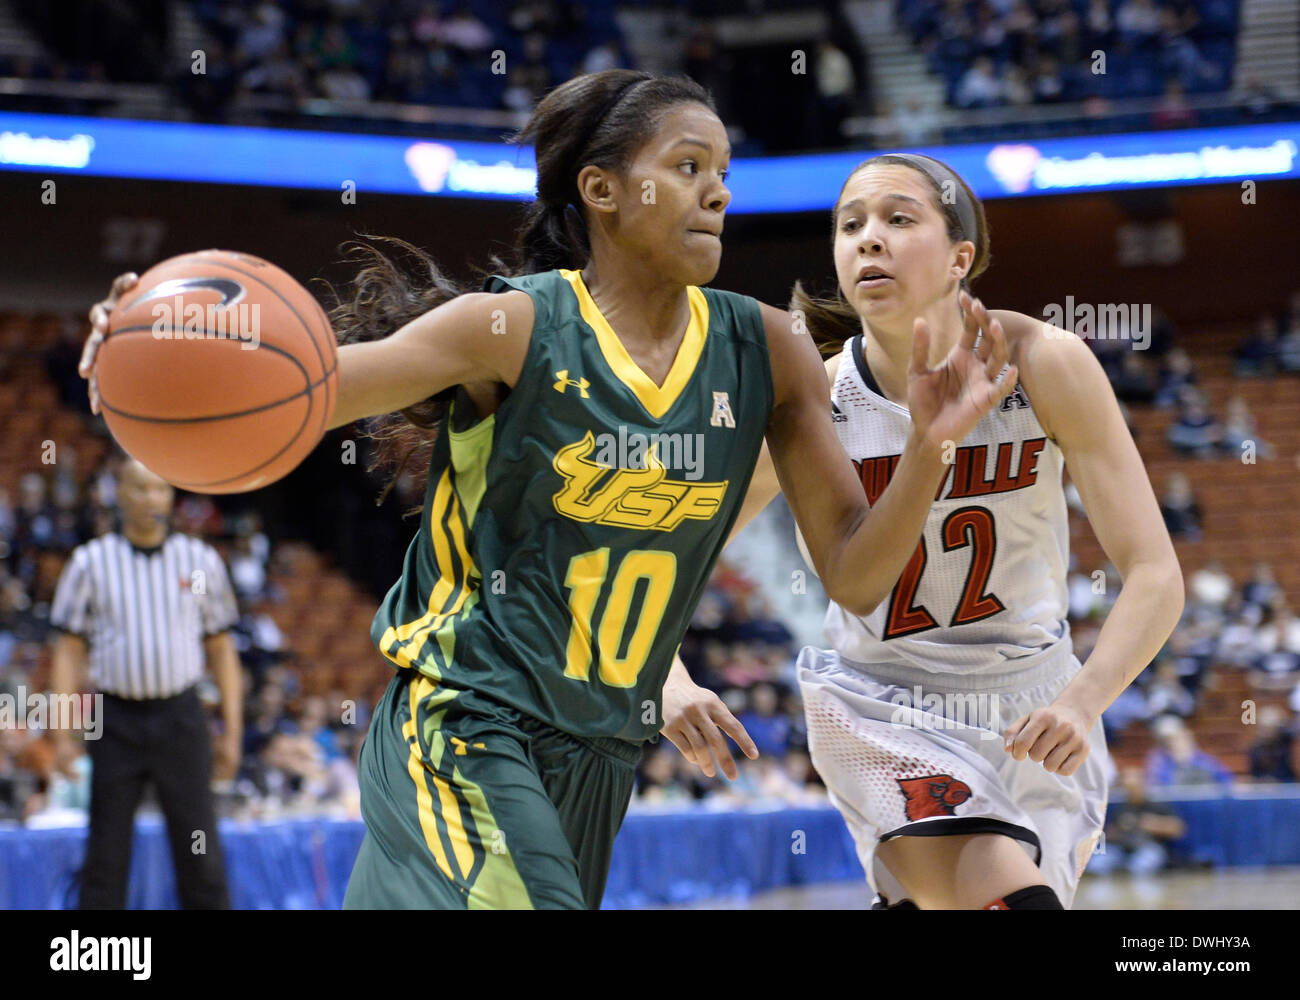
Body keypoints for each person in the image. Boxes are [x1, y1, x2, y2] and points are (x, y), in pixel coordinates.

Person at [80, 70, 1015, 910]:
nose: (720, 190)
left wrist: (930, 448)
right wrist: (152, 351)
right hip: (467, 726)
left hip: (603, 758)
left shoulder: (767, 349)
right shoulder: (511, 328)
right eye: (689, 165)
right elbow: (315, 385)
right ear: (602, 191)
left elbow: (855, 575)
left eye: (724, 170)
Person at [664, 152, 1183, 909]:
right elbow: (672, 556)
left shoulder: (1042, 363)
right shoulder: (817, 400)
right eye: (850, 225)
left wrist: (1083, 700)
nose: (867, 239)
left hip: (1034, 701)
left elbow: (1155, 572)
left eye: (897, 219)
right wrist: (668, 679)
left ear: (959, 258)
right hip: (883, 703)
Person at [48, 457, 242, 909]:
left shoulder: (198, 561)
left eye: (160, 488)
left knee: (200, 851)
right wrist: (60, 732)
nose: (151, 498)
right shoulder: (90, 562)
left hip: (181, 716)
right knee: (106, 856)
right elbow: (68, 651)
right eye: (140, 488)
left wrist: (231, 731)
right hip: (115, 718)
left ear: (171, 495)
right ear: (119, 493)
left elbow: (221, 649)